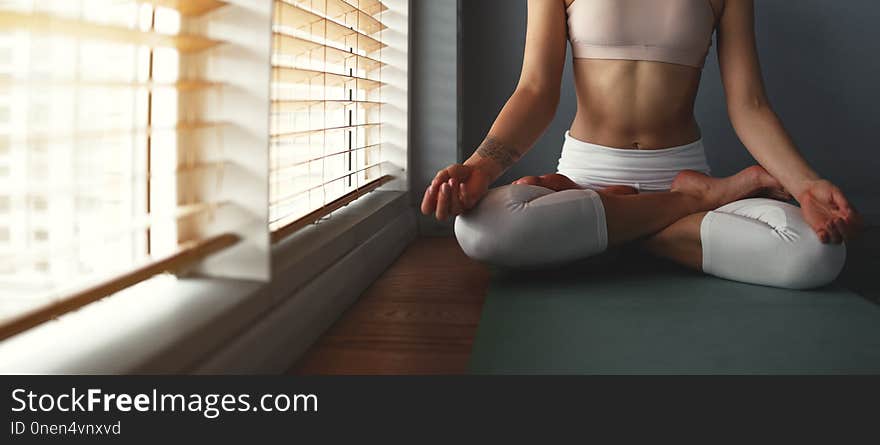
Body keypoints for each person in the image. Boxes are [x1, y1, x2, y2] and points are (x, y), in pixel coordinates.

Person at [420, 0, 863, 289]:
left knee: (816, 254)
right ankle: (684, 203)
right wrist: (480, 166)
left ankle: (610, 228)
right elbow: (536, 90)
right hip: (590, 176)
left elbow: (749, 104)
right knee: (477, 229)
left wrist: (806, 185)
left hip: (643, 179)